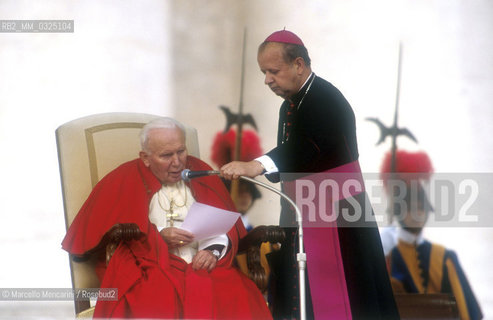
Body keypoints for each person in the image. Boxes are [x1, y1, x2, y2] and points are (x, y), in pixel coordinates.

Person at [220, 29, 399, 319]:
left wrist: (257, 164)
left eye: (273, 71)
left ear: (299, 65)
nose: (267, 79)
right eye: (264, 72)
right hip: (303, 211)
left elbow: (307, 149)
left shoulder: (325, 99)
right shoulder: (290, 104)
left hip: (337, 217)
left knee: (345, 295)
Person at [62, 117, 272, 319]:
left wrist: (212, 251)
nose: (177, 162)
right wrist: (158, 237)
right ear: (145, 157)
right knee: (154, 298)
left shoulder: (201, 171)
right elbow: (110, 235)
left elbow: (222, 224)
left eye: (181, 151)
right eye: (166, 155)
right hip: (151, 264)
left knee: (237, 293)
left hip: (205, 265)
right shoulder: (123, 179)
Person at [380, 150, 483, 320]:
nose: (417, 213)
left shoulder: (444, 258)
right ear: (399, 211)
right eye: (411, 208)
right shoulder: (388, 258)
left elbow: (467, 312)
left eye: (421, 208)